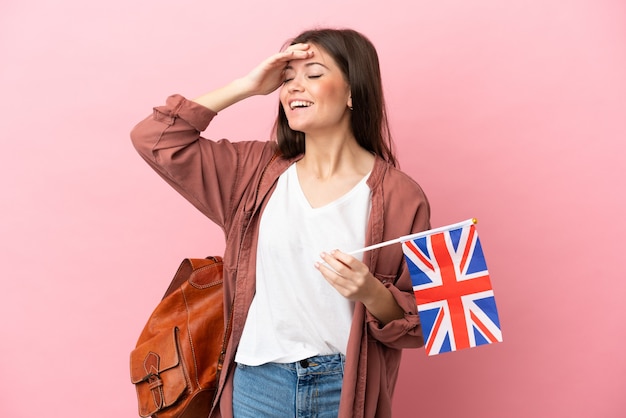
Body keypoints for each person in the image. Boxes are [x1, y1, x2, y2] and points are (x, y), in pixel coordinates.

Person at [131, 28, 430, 418]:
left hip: (343, 387)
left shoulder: (403, 197)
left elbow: (425, 321)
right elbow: (155, 139)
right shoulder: (252, 173)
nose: (293, 88)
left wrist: (372, 293)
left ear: (353, 90)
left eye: (314, 74)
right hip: (257, 385)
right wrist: (246, 86)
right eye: (288, 78)